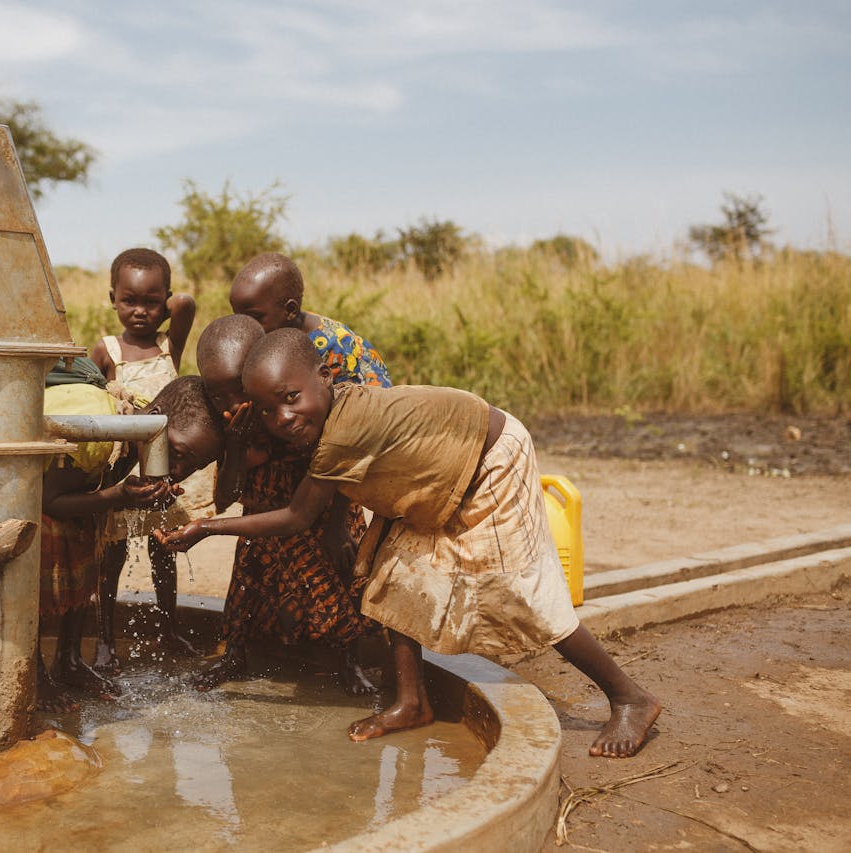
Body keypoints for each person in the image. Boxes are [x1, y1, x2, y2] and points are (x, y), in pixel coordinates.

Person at [158, 329, 662, 758]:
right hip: (444, 479)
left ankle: (628, 697)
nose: (284, 418)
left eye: (291, 398)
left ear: (326, 377)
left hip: (490, 465)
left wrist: (205, 529)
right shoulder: (329, 417)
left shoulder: (342, 433)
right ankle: (412, 702)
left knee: (523, 594)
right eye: (268, 410)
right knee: (393, 581)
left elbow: (296, 516)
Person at [194, 314, 379, 694]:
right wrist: (235, 444)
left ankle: (349, 661)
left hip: (324, 514)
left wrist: (337, 526)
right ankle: (235, 655)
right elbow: (226, 496)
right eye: (218, 396)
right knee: (247, 592)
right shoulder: (240, 422)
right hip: (262, 522)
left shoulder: (292, 409)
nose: (232, 404)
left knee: (339, 584)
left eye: (237, 391)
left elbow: (340, 471)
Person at [89, 249, 208, 671]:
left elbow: (187, 306)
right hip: (124, 472)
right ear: (112, 299)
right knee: (112, 558)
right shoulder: (105, 351)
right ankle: (105, 640)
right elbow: (92, 404)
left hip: (163, 474)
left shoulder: (167, 346)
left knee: (165, 553)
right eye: (129, 301)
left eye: (151, 302)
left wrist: (167, 306)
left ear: (164, 302)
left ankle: (169, 629)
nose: (139, 312)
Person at [37, 360, 179, 712]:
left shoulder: (144, 418)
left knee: (85, 570)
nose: (175, 466)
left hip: (75, 493)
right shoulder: (100, 435)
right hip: (36, 503)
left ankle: (68, 662)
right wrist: (117, 496)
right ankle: (34, 677)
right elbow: (48, 501)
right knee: (37, 591)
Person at [229, 252, 391, 386]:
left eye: (255, 317)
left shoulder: (337, 348)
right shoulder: (274, 332)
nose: (245, 327)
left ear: (290, 311)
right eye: (239, 318)